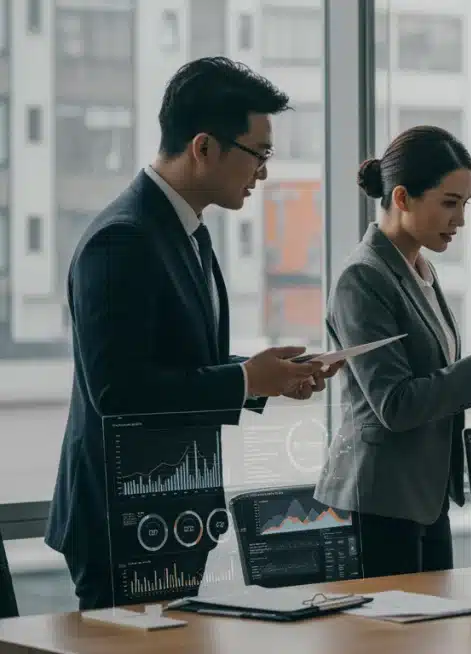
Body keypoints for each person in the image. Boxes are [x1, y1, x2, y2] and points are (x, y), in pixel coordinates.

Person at [47, 57, 341, 609]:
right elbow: (118, 391)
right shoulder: (122, 239)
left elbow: (177, 360)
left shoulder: (186, 232)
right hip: (124, 522)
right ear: (204, 147)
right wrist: (244, 380)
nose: (264, 173)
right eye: (259, 154)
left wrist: (266, 378)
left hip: (169, 512)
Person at [314, 126, 471, 578]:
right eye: (449, 203)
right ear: (402, 197)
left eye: (465, 205)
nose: (460, 220)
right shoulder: (362, 279)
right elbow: (395, 404)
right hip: (380, 501)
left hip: (425, 497)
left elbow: (428, 372)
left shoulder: (420, 266)